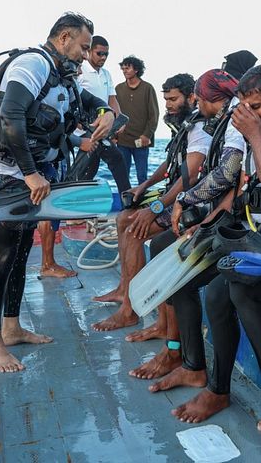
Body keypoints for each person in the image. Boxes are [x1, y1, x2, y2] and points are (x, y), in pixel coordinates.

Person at [154, 65, 261, 430]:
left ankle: (237, 386)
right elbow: (238, 187)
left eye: (256, 107)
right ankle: (197, 367)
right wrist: (201, 217)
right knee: (187, 275)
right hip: (253, 235)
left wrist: (253, 135)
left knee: (222, 291)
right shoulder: (258, 130)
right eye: (245, 107)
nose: (249, 115)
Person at [0, 12, 114, 372]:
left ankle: (12, 328)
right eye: (84, 46)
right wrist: (31, 173)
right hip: (5, 175)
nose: (86, 55)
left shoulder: (62, 77)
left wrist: (106, 114)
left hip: (31, 177)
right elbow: (10, 115)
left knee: (21, 253)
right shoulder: (33, 64)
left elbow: (91, 104)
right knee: (2, 256)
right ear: (64, 37)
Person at [90, 73, 210, 332]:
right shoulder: (184, 126)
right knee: (124, 218)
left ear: (192, 97)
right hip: (174, 195)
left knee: (134, 230)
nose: (168, 105)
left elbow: (189, 177)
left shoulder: (200, 129)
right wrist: (143, 185)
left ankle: (130, 311)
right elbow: (170, 162)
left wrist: (155, 208)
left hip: (191, 203)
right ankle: (125, 290)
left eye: (173, 99)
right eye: (166, 99)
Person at [72, 35, 132, 194]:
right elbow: (73, 97)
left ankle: (127, 197)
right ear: (89, 51)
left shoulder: (106, 74)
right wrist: (77, 121)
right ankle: (128, 199)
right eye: (99, 53)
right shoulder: (80, 71)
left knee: (92, 167)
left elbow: (112, 100)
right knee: (112, 160)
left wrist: (119, 120)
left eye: (106, 54)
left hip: (102, 128)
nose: (103, 57)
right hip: (83, 130)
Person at [116, 55, 159, 184]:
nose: (124, 71)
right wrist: (113, 135)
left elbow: (154, 114)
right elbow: (114, 113)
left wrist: (147, 135)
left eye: (127, 68)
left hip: (141, 140)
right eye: (123, 68)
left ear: (136, 70)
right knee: (123, 175)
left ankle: (141, 197)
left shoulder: (148, 88)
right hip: (122, 140)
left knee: (142, 176)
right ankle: (125, 197)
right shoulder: (118, 88)